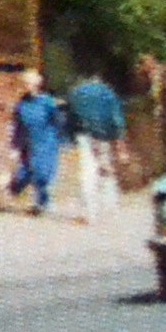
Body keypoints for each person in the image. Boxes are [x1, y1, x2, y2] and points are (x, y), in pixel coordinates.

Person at [64, 72, 127, 225]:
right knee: (105, 168)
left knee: (87, 171)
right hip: (103, 136)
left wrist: (70, 138)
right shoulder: (108, 93)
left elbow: (70, 117)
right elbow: (117, 118)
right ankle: (111, 205)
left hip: (84, 136)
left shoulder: (76, 93)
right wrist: (120, 143)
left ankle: (89, 211)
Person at [9, 69, 67, 215]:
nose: (26, 86)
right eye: (25, 83)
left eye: (29, 83)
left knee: (42, 173)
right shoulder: (21, 105)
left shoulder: (47, 102)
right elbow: (18, 127)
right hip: (29, 143)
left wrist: (62, 139)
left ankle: (41, 203)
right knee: (25, 173)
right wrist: (15, 147)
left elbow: (58, 120)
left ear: (37, 84)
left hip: (47, 141)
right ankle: (14, 187)